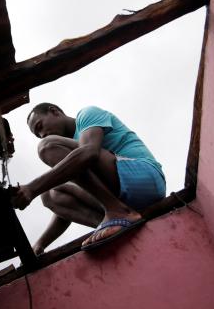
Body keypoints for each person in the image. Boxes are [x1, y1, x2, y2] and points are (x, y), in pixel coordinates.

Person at [11, 103, 166, 252]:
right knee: (50, 195)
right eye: (38, 135)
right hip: (123, 197)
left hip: (145, 177)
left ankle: (117, 211)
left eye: (40, 126)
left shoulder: (87, 114)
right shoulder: (69, 153)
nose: (42, 134)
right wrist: (40, 244)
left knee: (47, 146)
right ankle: (117, 219)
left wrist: (32, 188)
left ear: (54, 111)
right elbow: (67, 204)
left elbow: (89, 153)